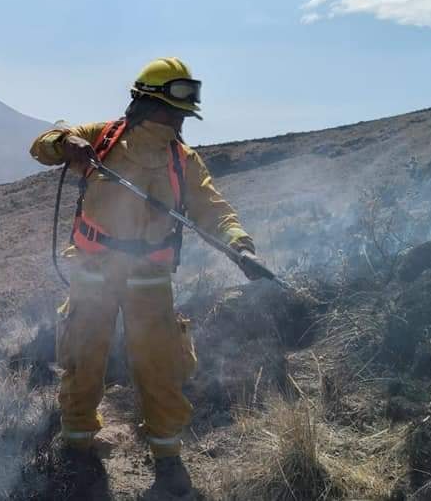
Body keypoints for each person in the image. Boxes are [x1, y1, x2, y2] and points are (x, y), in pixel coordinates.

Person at [29, 57, 266, 496]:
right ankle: (77, 447)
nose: (175, 120)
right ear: (144, 103)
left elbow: (213, 209)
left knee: (160, 365)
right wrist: (67, 144)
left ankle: (167, 458)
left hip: (149, 276)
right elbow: (42, 144)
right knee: (84, 360)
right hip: (93, 268)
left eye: (180, 114)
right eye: (168, 110)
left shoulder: (184, 161)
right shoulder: (102, 136)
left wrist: (239, 244)